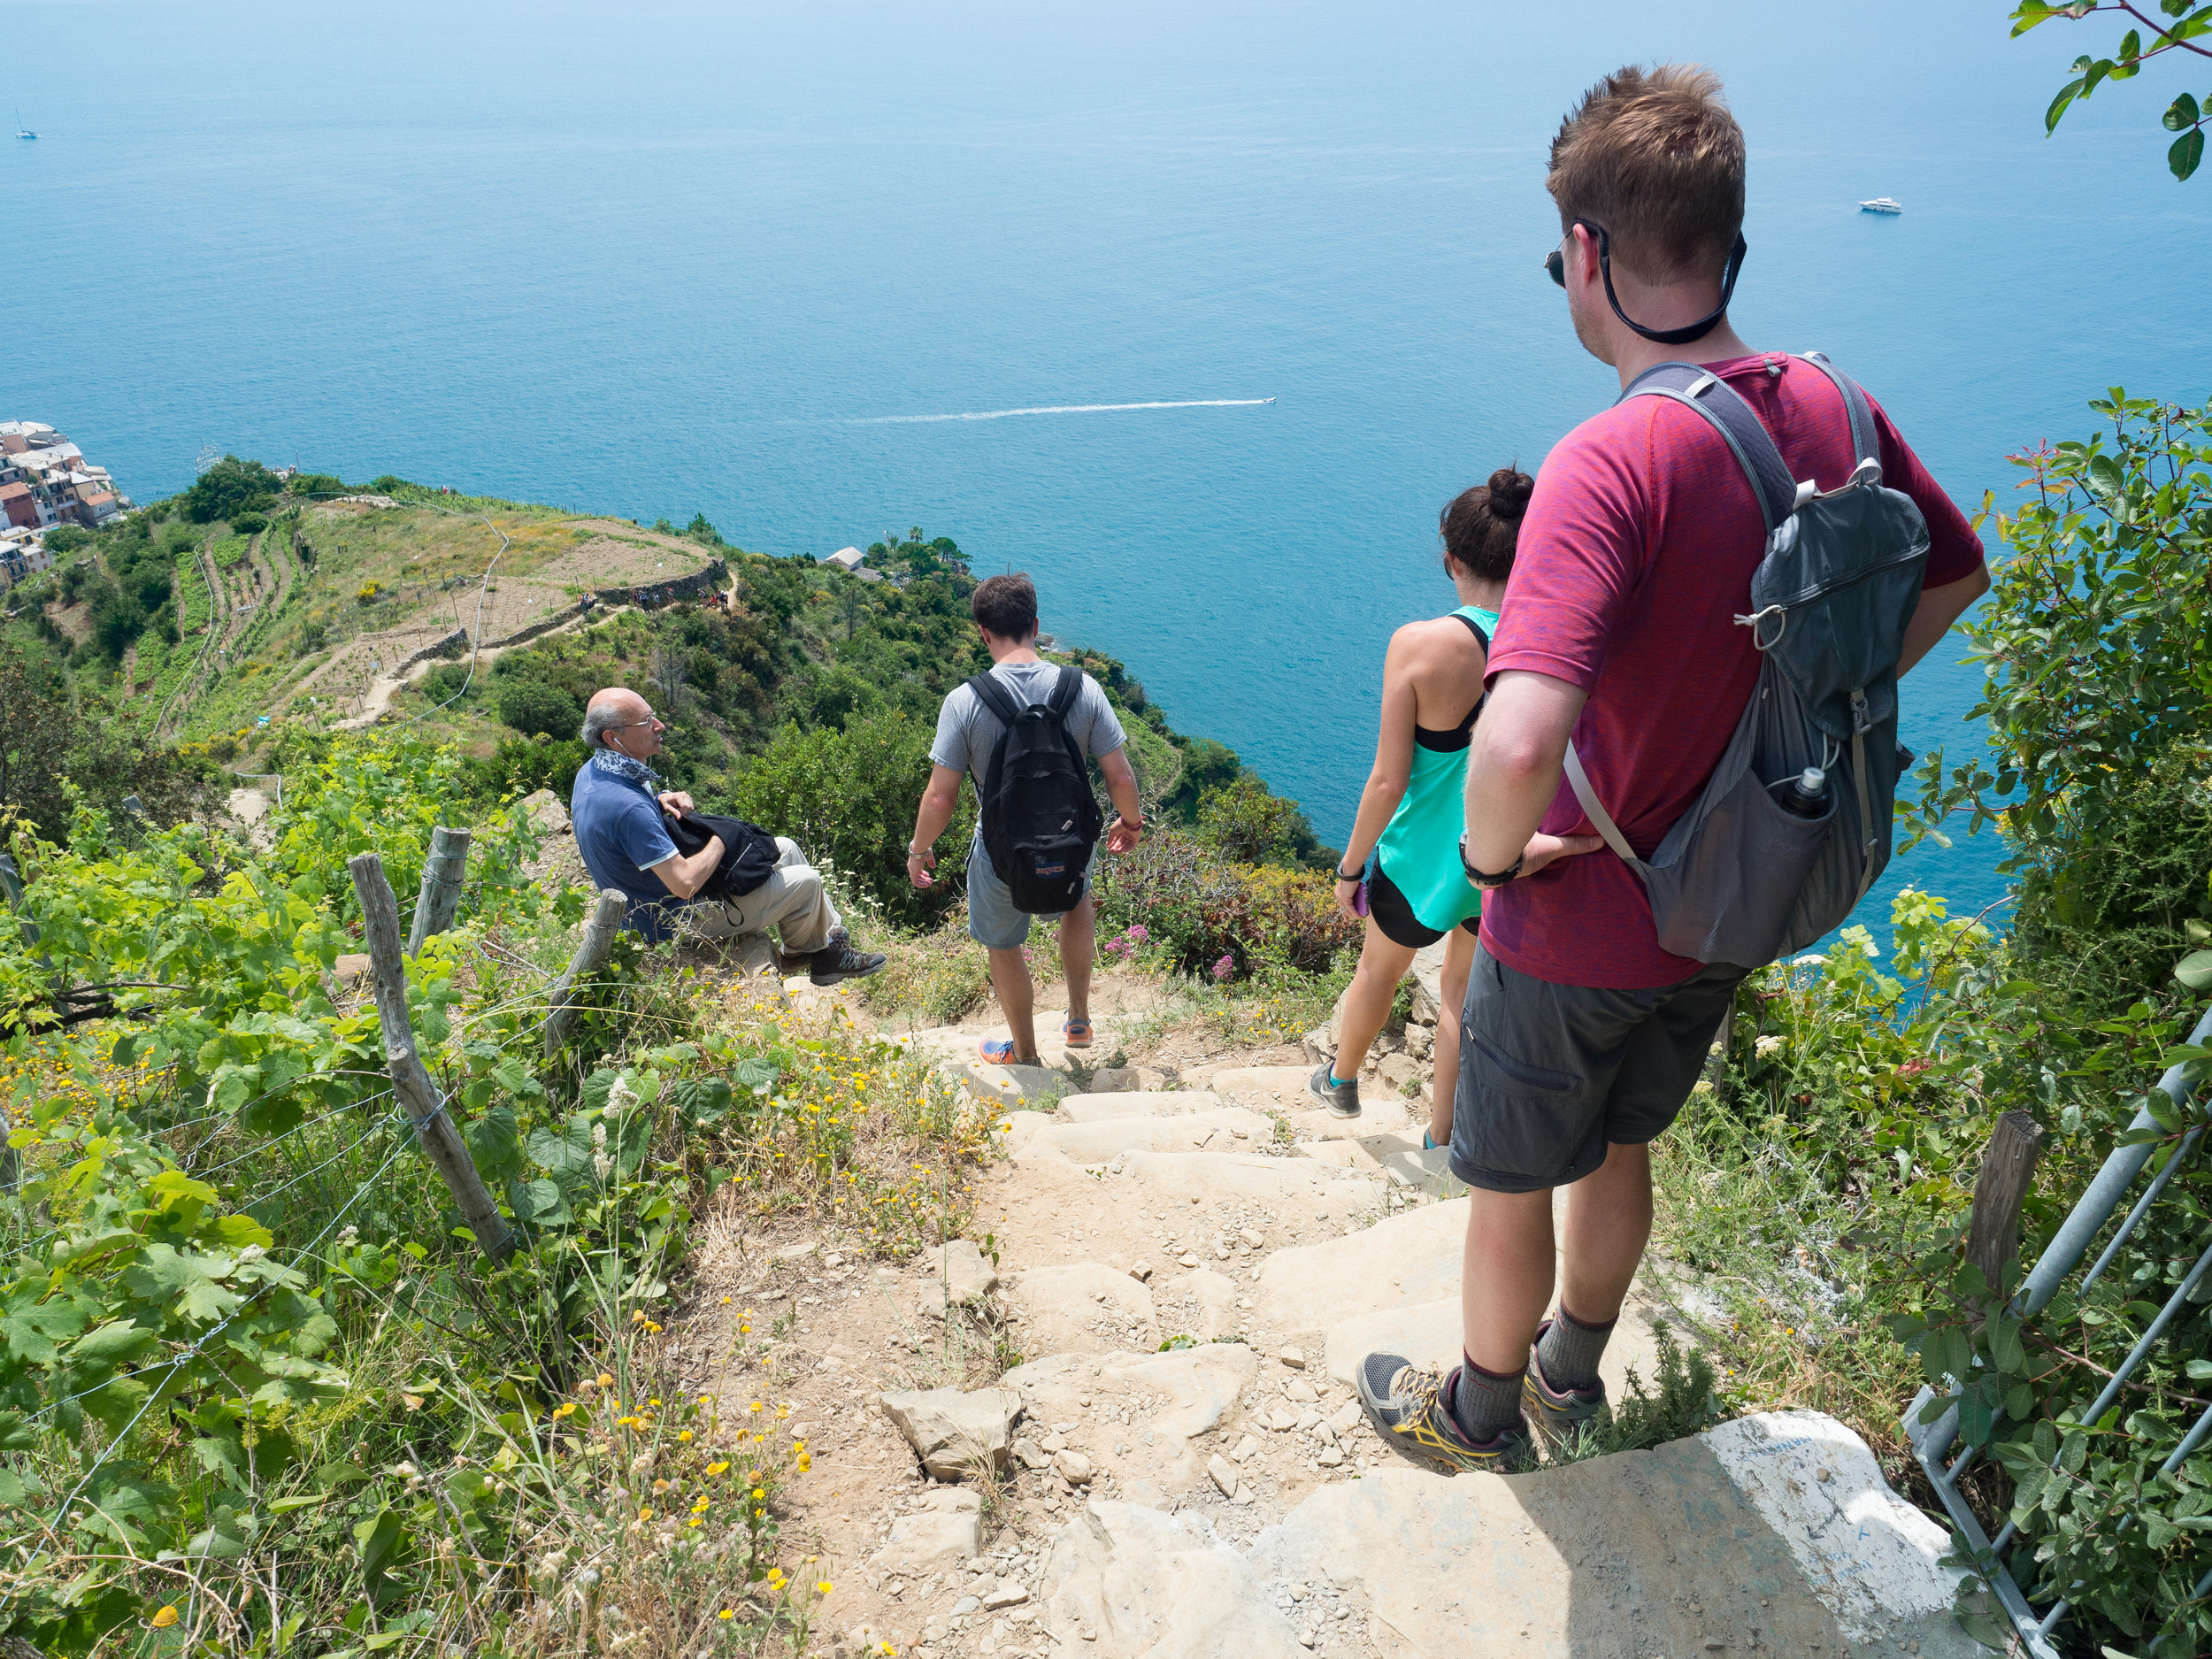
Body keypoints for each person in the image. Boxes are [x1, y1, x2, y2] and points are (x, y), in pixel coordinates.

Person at [1356, 64, 1991, 1471]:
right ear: (1729, 241)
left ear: (1587, 250)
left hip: (1585, 909)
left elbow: (1519, 737)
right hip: (1740, 887)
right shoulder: (1836, 404)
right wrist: (1796, 712)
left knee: (1515, 1171)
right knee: (1626, 1140)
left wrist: (1485, 859)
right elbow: (1953, 572)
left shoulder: (1613, 454)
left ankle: (1476, 1411)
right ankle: (1577, 1379)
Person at [1313, 469, 1597, 1145]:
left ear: (1453, 560)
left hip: (1417, 865)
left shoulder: (1421, 646)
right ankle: (1444, 1139)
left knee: (1377, 973)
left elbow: (1388, 780)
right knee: (1458, 1001)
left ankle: (1342, 1081)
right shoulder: (1559, 641)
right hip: (1505, 860)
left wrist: (1351, 869)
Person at [906, 573, 1145, 1065]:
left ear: (983, 633)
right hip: (1071, 838)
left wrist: (918, 849)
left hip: (999, 848)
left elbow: (939, 798)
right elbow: (1120, 775)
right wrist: (1132, 822)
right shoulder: (1083, 688)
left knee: (1003, 943)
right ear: (1036, 625)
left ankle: (1028, 1054)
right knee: (1077, 905)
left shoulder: (965, 701)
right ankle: (1078, 1018)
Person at [570, 686, 887, 984]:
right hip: (669, 922)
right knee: (806, 882)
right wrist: (723, 838)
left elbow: (623, 824)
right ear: (612, 737)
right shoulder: (626, 808)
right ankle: (819, 954)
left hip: (648, 897)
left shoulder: (598, 773)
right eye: (646, 721)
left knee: (786, 849)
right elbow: (684, 884)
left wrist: (659, 798)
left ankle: (821, 949)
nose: (660, 725)